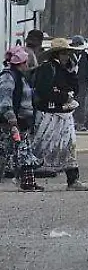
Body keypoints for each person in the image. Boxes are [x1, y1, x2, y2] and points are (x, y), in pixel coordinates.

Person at [30, 38, 88, 191]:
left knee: (69, 146)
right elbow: (43, 91)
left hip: (65, 113)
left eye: (67, 53)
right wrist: (62, 96)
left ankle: (73, 179)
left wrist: (71, 74)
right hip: (48, 114)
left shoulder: (67, 70)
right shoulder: (47, 68)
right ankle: (26, 176)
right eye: (63, 53)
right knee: (40, 146)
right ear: (56, 54)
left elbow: (75, 88)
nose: (66, 56)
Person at [1, 47, 42, 191]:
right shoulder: (8, 77)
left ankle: (28, 182)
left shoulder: (22, 78)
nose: (27, 65)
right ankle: (26, 182)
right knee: (5, 152)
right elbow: (5, 101)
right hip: (11, 123)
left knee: (24, 151)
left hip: (23, 123)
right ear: (19, 63)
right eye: (25, 63)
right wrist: (11, 120)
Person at [71, 36, 88, 130]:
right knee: (70, 103)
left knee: (81, 104)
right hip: (71, 83)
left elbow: (87, 70)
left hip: (82, 83)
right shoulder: (69, 54)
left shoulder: (84, 55)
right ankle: (72, 123)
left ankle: (80, 123)